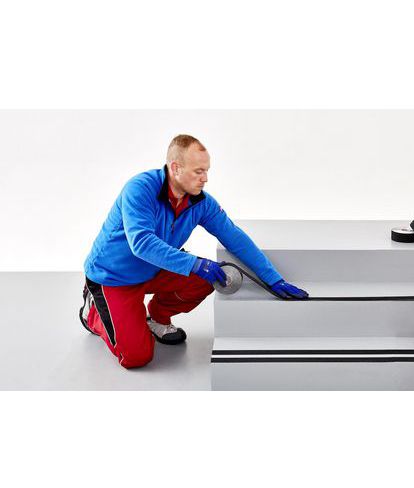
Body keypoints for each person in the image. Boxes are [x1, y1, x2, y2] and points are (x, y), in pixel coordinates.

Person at [79, 134, 308, 368]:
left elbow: (234, 238)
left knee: (210, 278)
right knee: (136, 358)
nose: (205, 178)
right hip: (114, 277)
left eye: (206, 171)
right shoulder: (140, 189)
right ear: (175, 168)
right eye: (198, 171)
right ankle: (93, 313)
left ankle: (156, 318)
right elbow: (142, 243)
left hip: (154, 270)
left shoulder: (201, 202)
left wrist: (273, 279)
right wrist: (195, 263)